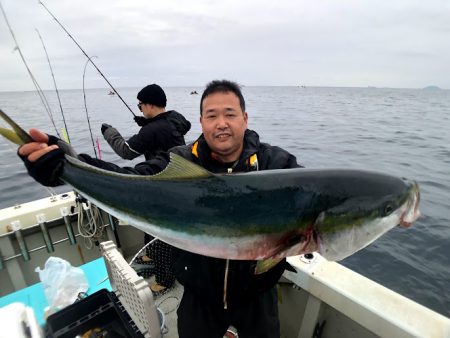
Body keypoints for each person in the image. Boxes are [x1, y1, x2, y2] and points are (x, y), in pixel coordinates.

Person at [18, 80, 301, 338]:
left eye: (230, 114)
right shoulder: (180, 161)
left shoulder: (276, 163)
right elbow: (131, 178)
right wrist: (67, 164)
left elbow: (314, 199)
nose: (221, 123)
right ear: (201, 122)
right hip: (199, 297)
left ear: (245, 118)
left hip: (257, 298)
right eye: (212, 116)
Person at [101, 83, 191, 295]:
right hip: (175, 182)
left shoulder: (152, 129)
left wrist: (110, 132)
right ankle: (150, 255)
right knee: (153, 226)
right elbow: (159, 131)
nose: (140, 108)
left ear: (150, 104)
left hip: (161, 185)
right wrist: (146, 123)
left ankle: (165, 280)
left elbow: (126, 152)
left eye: (141, 105)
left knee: (158, 229)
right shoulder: (173, 121)